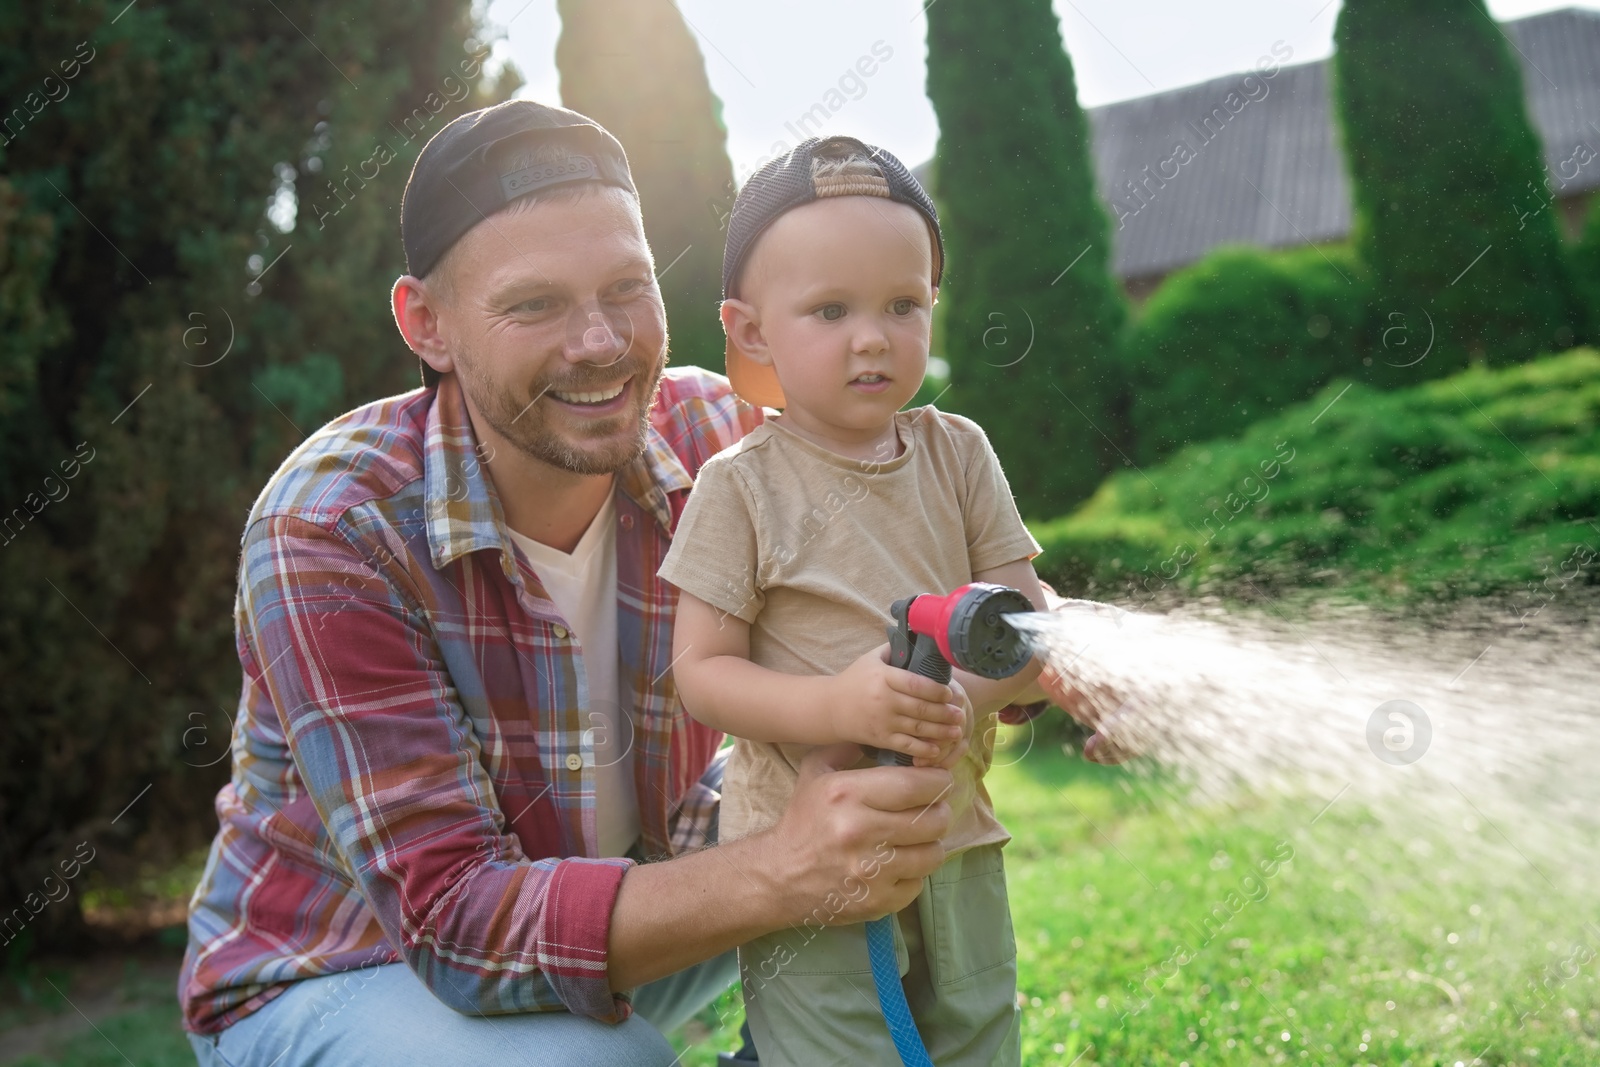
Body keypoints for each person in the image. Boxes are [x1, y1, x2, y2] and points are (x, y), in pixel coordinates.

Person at [176, 101, 1005, 1067]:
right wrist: (781, 868)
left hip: (624, 895)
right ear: (427, 324)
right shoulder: (333, 528)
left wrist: (1039, 659)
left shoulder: (725, 442)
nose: (602, 342)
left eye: (626, 287)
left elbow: (923, 564)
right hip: (340, 971)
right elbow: (453, 920)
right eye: (535, 304)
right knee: (595, 1064)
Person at [658, 136, 1045, 1066]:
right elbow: (702, 674)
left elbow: (1024, 627)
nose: (873, 336)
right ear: (752, 333)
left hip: (952, 834)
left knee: (978, 1034)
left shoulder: (960, 453)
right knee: (833, 1050)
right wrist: (839, 705)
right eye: (830, 309)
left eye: (903, 305)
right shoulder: (739, 486)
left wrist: (953, 701)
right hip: (809, 854)